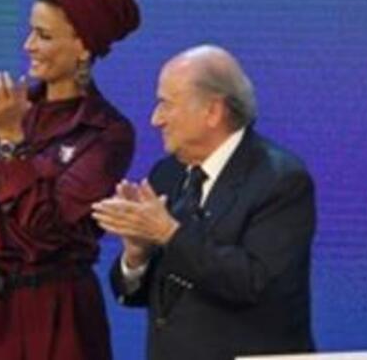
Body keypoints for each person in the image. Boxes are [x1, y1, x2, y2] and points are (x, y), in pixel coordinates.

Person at [0, 0, 141, 360]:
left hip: (58, 309)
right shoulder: (16, 109)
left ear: (83, 47)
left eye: (44, 36)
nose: (28, 45)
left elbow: (45, 231)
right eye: (31, 31)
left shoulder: (107, 132)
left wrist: (13, 141)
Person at [92, 45, 316, 360]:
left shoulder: (280, 180)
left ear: (212, 111)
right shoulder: (167, 174)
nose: (155, 119)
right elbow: (140, 295)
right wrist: (137, 253)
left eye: (166, 105)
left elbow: (256, 283)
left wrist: (169, 233)